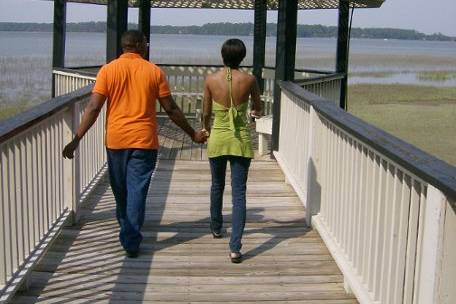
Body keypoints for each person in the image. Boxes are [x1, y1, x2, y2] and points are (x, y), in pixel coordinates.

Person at [62, 30, 207, 258]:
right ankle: (130, 234)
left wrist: (76, 139)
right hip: (144, 141)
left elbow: (93, 107)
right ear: (139, 45)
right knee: (136, 191)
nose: (147, 46)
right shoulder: (153, 71)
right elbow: (170, 108)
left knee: (121, 190)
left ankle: (130, 238)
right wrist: (192, 133)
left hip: (116, 141)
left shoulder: (108, 70)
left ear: (124, 46)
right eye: (146, 43)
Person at [202, 38, 262, 263]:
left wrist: (205, 130)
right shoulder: (249, 79)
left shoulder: (210, 80)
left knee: (217, 185)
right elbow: (258, 108)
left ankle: (216, 227)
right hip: (240, 140)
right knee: (239, 194)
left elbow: (206, 113)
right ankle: (235, 247)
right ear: (242, 57)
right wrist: (252, 114)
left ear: (222, 56)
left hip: (217, 137)